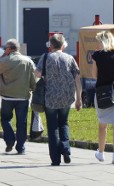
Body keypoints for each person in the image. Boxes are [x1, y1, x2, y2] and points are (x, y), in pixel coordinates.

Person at [35, 33, 82, 166]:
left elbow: (37, 74)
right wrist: (79, 99)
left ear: (51, 45)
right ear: (63, 45)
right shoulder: (69, 58)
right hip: (66, 97)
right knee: (64, 123)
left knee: (52, 127)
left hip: (50, 97)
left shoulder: (45, 57)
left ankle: (55, 159)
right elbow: (77, 79)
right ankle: (66, 150)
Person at [0, 38, 36, 155]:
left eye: (6, 48)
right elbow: (33, 79)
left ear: (9, 49)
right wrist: (33, 89)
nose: (4, 50)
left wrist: (1, 57)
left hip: (7, 96)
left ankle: (10, 140)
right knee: (22, 122)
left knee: (5, 119)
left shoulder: (6, 60)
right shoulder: (28, 61)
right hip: (23, 97)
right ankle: (21, 147)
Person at [92, 30, 114, 165]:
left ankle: (101, 153)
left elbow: (94, 75)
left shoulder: (97, 56)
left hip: (103, 92)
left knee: (103, 124)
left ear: (102, 42)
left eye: (98, 41)